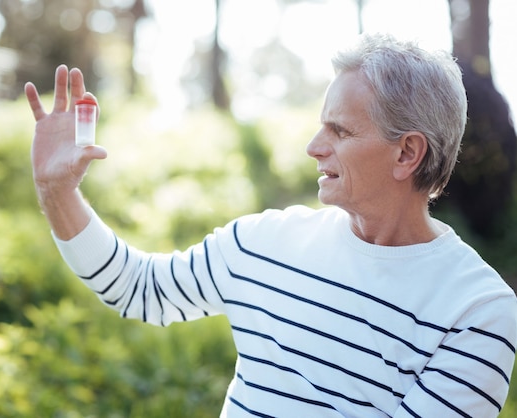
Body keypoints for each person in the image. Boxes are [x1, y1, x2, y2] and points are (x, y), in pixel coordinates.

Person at [25, 33, 517, 417]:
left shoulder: (478, 310)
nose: (313, 146)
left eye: (340, 130)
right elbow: (140, 289)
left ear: (407, 152)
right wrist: (57, 191)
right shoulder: (264, 241)